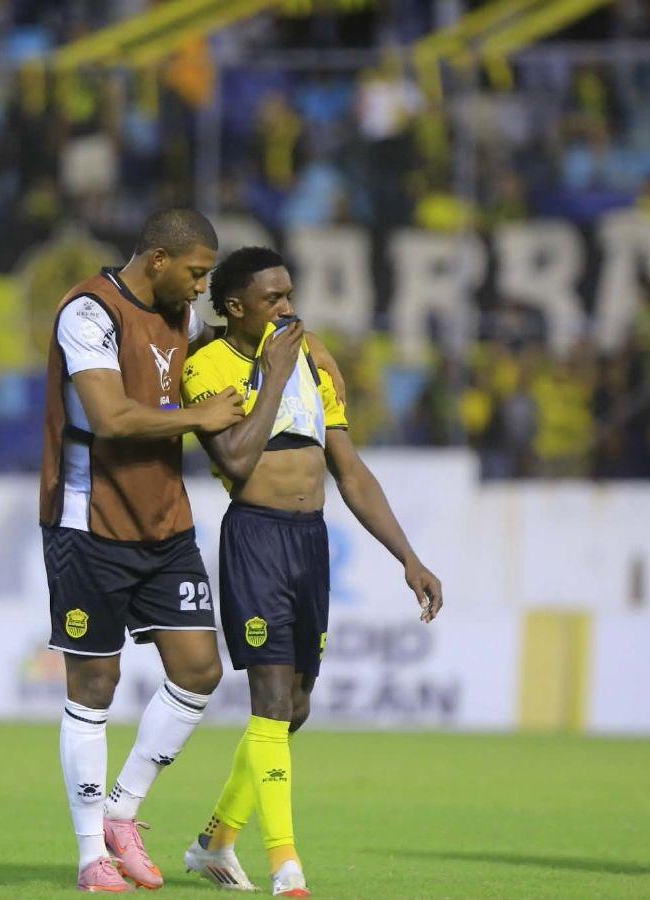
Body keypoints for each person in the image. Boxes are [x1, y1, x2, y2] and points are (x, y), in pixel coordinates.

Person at [178, 247, 443, 896]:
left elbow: (347, 469)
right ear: (236, 308)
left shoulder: (307, 358)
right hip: (257, 540)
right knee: (269, 701)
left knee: (294, 707)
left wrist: (407, 556)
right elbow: (237, 462)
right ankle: (287, 868)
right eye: (273, 299)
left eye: (290, 294)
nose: (288, 308)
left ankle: (214, 842)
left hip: (309, 543)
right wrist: (270, 376)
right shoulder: (206, 366)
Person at [39, 208, 245, 893]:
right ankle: (89, 855)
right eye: (196, 273)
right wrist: (201, 416)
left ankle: (121, 814)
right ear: (158, 260)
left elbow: (217, 352)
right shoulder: (88, 312)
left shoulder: (182, 318)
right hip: (88, 524)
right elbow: (112, 416)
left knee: (199, 670)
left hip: (165, 523)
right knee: (94, 686)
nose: (201, 289)